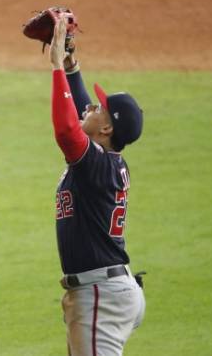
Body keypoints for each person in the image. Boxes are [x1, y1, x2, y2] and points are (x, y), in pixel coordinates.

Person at [49, 18, 146, 356]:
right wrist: (72, 66)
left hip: (101, 295)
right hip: (106, 287)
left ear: (106, 128)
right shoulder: (105, 160)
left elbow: (66, 129)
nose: (90, 105)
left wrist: (57, 68)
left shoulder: (96, 164)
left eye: (98, 107)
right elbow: (79, 115)